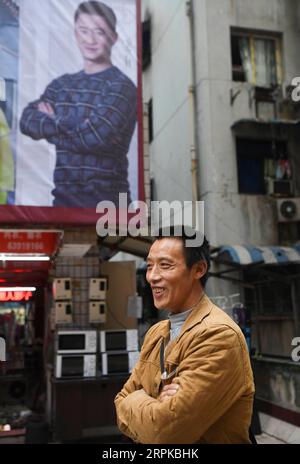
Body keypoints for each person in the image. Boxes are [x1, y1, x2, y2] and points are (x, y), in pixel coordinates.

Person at [114, 227, 255, 444]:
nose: (152, 276)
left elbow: (165, 432)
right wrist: (153, 404)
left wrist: (138, 399)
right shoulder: (156, 333)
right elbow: (120, 400)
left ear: (198, 269)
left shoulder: (218, 336)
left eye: (165, 265)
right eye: (150, 266)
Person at [20, 1, 137, 208]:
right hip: (62, 203)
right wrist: (78, 124)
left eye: (99, 32)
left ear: (114, 38)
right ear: (75, 34)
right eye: (83, 31)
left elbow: (96, 136)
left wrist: (52, 123)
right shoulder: (62, 85)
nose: (90, 40)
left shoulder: (122, 87)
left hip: (109, 205)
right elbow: (27, 121)